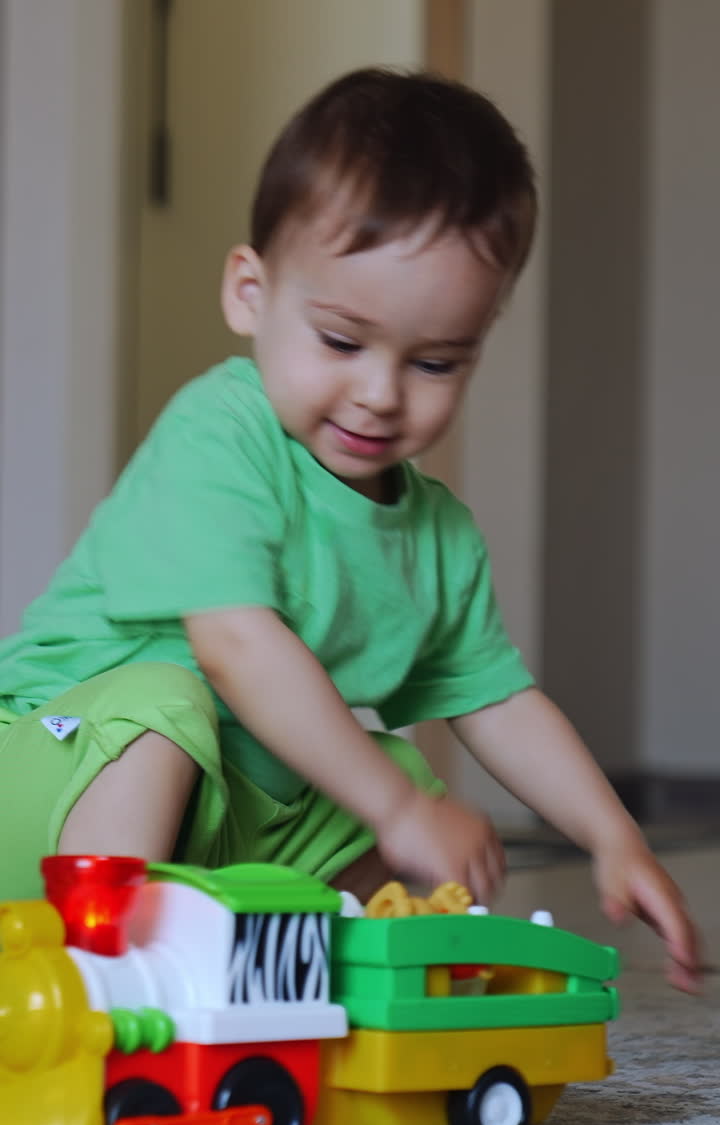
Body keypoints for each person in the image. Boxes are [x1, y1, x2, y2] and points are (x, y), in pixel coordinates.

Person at [0, 68, 699, 991]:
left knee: (406, 795)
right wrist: (398, 807)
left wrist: (615, 839)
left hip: (230, 817)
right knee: (168, 710)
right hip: (52, 775)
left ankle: (324, 988)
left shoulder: (436, 533)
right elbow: (234, 647)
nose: (380, 392)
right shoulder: (222, 434)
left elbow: (496, 703)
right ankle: (93, 984)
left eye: (437, 361)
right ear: (250, 293)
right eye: (341, 341)